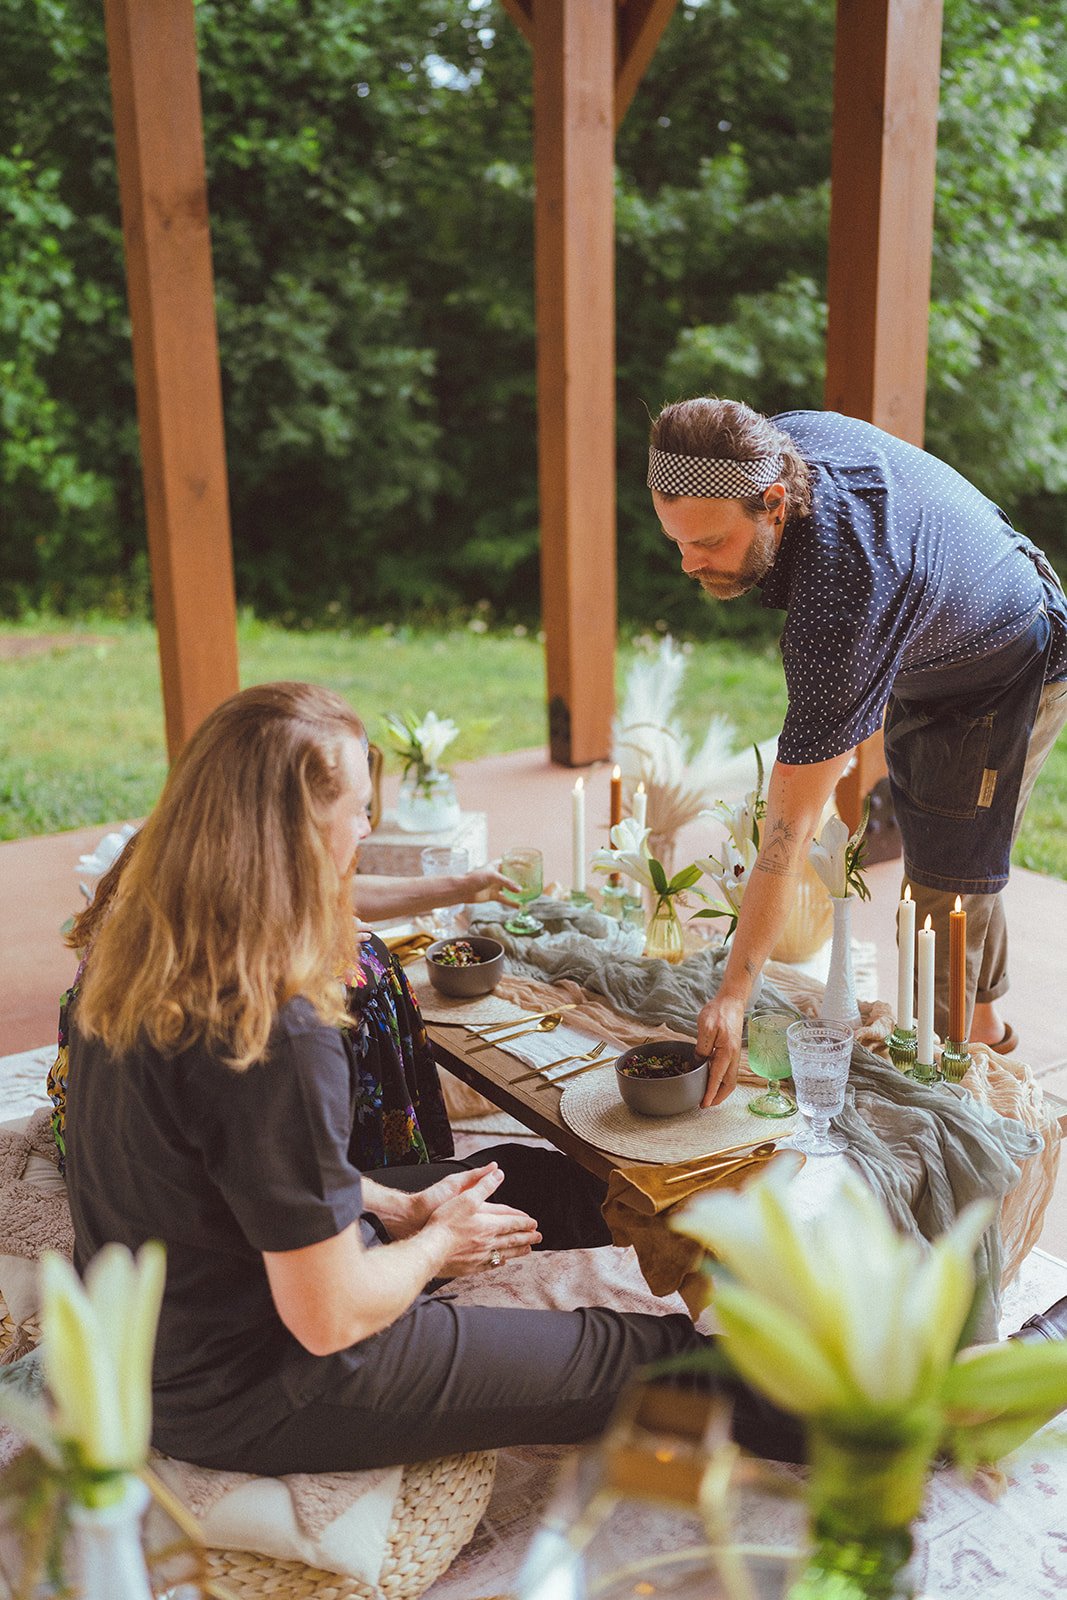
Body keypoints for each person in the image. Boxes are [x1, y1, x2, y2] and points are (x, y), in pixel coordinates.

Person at [59, 681, 800, 1474]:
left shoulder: (143, 937)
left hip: (164, 1316)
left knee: (519, 1179)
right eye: (359, 809)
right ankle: (882, 1422)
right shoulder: (274, 1023)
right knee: (646, 1354)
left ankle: (720, 1252)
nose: (367, 828)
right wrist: (438, 1242)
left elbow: (244, 1171)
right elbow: (328, 1317)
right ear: (303, 832)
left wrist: (400, 1205)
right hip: (249, 1385)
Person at [647, 400, 1067, 1102]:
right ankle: (987, 1031)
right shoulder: (776, 443)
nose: (690, 564)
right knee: (950, 846)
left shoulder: (841, 598)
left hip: (1003, 663)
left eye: (710, 543)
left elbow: (787, 833)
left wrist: (732, 993)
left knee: (939, 886)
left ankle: (945, 1091)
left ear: (773, 503)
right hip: (929, 637)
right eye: (676, 542)